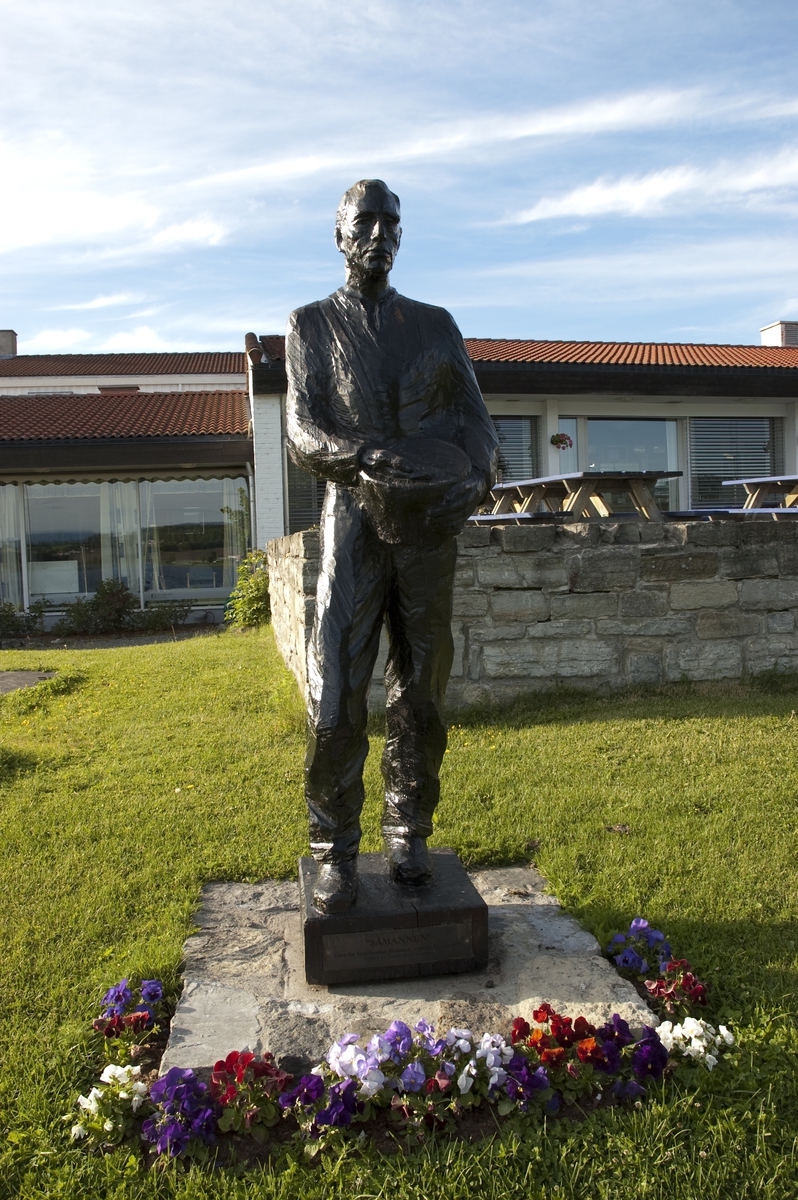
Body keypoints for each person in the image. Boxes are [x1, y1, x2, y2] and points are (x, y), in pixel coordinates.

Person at [286, 179, 498, 914]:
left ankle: (409, 829)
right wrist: (366, 459)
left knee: (422, 692)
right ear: (340, 236)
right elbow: (302, 431)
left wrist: (475, 479)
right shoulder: (310, 324)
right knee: (337, 695)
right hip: (354, 519)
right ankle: (332, 848)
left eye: (392, 222)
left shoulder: (436, 325)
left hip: (428, 529)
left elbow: (475, 423)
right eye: (365, 221)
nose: (380, 233)